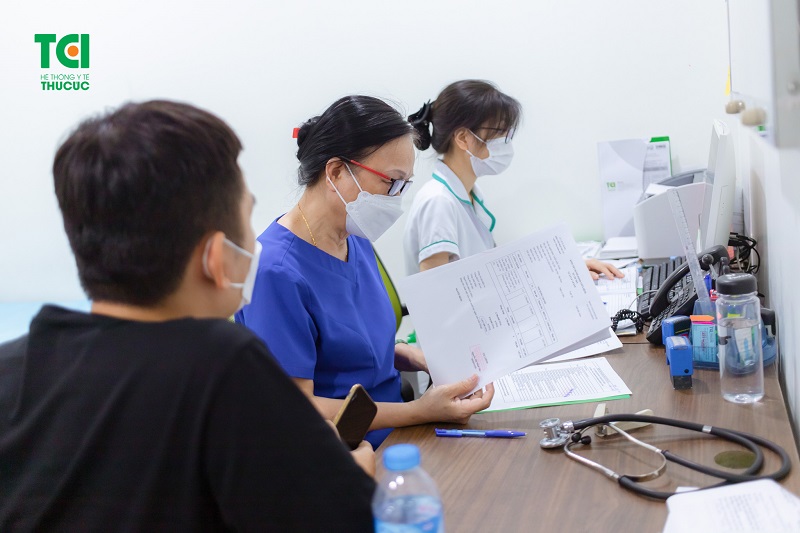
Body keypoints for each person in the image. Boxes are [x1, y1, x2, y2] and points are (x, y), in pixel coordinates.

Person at [0, 101, 376, 532]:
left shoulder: (11, 369)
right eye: (247, 217)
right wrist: (357, 475)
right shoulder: (225, 365)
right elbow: (339, 515)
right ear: (217, 258)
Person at [236, 95, 494, 448]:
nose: (396, 198)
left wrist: (411, 355)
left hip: (402, 427)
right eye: (392, 182)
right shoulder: (275, 272)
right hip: (346, 449)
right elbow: (296, 407)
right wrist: (419, 411)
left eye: (404, 186)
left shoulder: (354, 237)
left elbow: (355, 345)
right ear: (336, 172)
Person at [404, 79, 623, 280]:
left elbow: (489, 273)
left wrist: (564, 267)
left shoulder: (468, 194)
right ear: (463, 138)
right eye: (499, 132)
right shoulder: (438, 202)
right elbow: (434, 296)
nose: (505, 142)